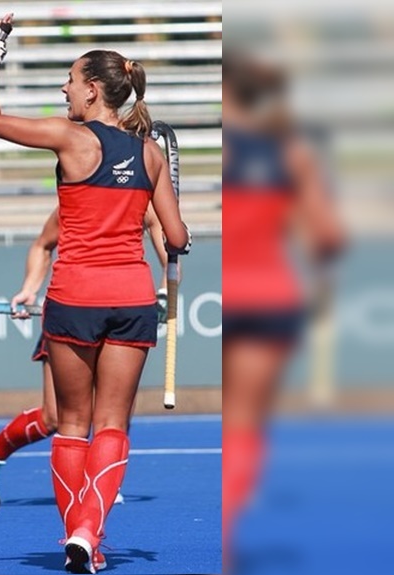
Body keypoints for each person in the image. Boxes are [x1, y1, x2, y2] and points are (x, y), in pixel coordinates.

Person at [0, 20, 192, 573]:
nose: (63, 91)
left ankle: (77, 533)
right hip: (131, 296)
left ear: (93, 88)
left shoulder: (73, 138)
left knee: (72, 424)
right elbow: (178, 237)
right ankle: (91, 532)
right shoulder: (149, 154)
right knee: (112, 424)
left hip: (75, 296)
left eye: (69, 81)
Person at [220, 50, 343, 568]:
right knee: (245, 423)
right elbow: (327, 235)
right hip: (272, 294)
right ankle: (227, 537)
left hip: (231, 293)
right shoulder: (290, 153)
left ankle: (223, 541)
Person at [0, 207, 169, 503]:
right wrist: (29, 289)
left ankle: (98, 479)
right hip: (73, 314)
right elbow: (43, 245)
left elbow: (171, 255)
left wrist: (164, 292)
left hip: (122, 314)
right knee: (55, 418)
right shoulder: (74, 202)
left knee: (113, 414)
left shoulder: (141, 203)